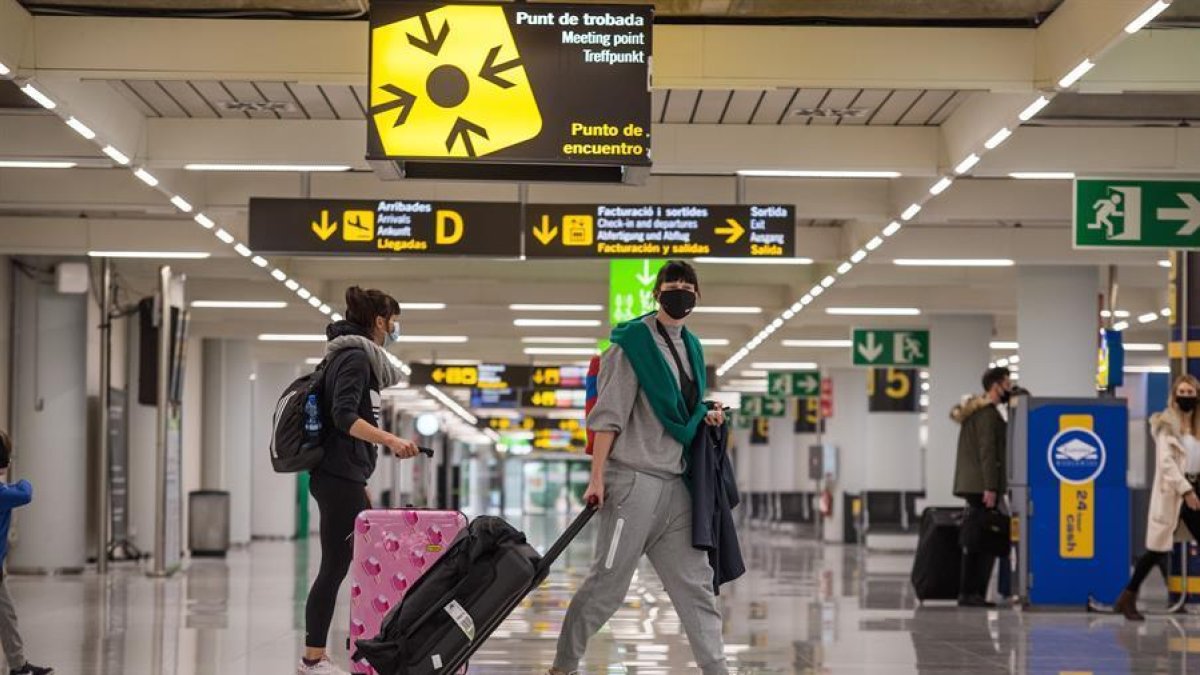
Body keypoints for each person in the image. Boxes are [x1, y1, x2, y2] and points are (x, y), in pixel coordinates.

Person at [549, 260, 730, 675]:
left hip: (676, 485)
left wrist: (707, 414)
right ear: (656, 292)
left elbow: (683, 409)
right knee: (607, 587)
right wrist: (598, 476)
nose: (680, 291)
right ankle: (563, 666)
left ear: (698, 296)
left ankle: (717, 669)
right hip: (632, 482)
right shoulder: (631, 345)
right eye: (672, 284)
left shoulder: (693, 347)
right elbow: (608, 415)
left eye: (687, 285)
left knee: (696, 586)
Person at [298, 287, 421, 675]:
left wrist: (361, 481)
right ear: (379, 322)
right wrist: (391, 439)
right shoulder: (354, 358)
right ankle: (313, 659)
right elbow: (344, 417)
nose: (395, 328)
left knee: (353, 562)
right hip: (337, 477)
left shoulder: (350, 356)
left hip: (343, 477)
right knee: (336, 566)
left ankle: (347, 648)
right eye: (393, 320)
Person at [1115, 374, 1200, 621]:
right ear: (1174, 396)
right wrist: (1186, 490)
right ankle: (1127, 597)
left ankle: (1126, 598)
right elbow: (1166, 462)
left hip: (1195, 488)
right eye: (1182, 393)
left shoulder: (1197, 426)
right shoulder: (1165, 424)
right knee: (1156, 550)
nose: (1186, 397)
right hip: (1175, 492)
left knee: (1157, 550)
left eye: (1190, 393)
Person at [951, 366, 1013, 608]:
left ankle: (972, 592)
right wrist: (990, 487)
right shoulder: (986, 415)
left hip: (974, 483)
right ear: (995, 386)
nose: (1009, 388)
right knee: (979, 540)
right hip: (980, 485)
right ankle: (970, 593)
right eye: (1006, 384)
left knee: (978, 538)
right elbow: (988, 453)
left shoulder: (980, 413)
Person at [0, 432, 53, 675]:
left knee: (6, 616)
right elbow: (25, 492)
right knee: (7, 617)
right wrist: (22, 478)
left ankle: (18, 665)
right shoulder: (4, 494)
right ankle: (18, 667)